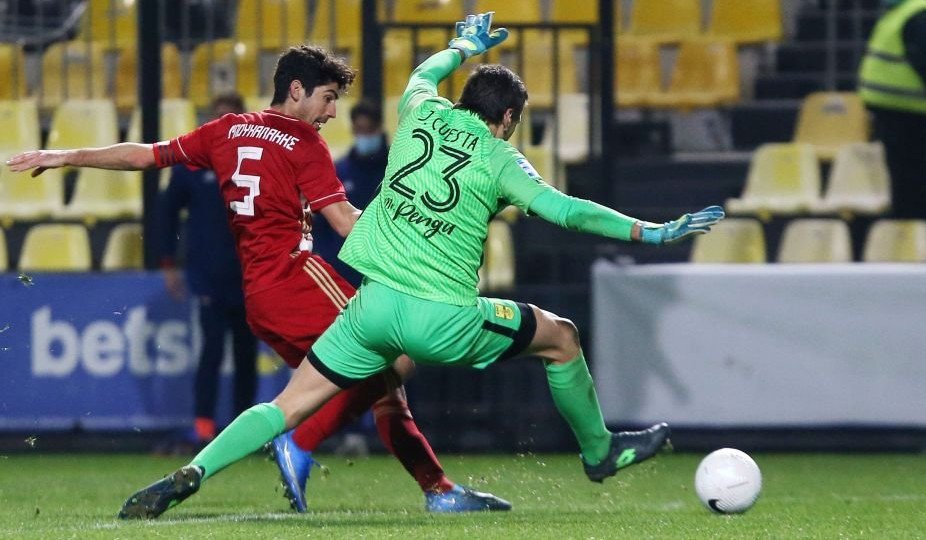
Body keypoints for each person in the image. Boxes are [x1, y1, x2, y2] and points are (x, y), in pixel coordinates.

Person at [91, 12, 725, 519]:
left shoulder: (420, 110)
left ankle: (195, 470)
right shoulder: (501, 158)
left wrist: (463, 44)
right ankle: (599, 452)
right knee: (561, 337)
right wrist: (648, 229)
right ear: (507, 119)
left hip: (370, 310)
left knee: (287, 404)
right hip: (439, 318)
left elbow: (425, 72)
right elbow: (567, 211)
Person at [6, 44, 509, 516]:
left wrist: (65, 156)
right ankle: (300, 440)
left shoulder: (227, 130)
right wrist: (419, 236)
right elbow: (344, 222)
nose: (332, 112)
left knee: (382, 384)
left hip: (259, 296)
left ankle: (437, 490)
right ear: (296, 89)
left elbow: (145, 155)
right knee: (396, 357)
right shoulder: (304, 142)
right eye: (328, 97)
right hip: (299, 277)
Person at [158, 93, 258, 449]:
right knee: (211, 352)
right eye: (218, 117)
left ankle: (244, 429)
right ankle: (203, 426)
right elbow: (166, 211)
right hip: (210, 277)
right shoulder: (193, 165)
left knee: (246, 355)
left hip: (250, 274)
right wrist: (168, 262)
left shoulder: (254, 162)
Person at [858, 0, 926, 219]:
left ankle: (905, 227)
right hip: (909, 108)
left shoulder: (895, 11)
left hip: (886, 104)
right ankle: (915, 228)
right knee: (913, 179)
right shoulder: (918, 12)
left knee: (900, 178)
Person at [311, 98, 389, 285]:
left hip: (384, 271)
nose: (364, 136)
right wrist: (330, 257)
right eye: (359, 130)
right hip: (345, 273)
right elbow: (321, 223)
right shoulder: (340, 171)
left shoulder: (394, 170)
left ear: (379, 128)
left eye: (369, 130)